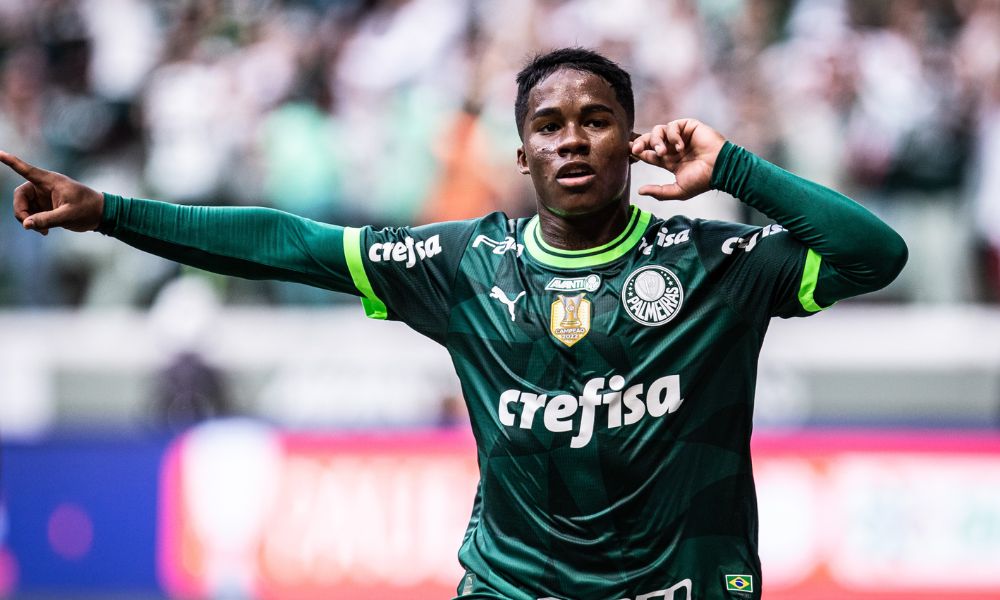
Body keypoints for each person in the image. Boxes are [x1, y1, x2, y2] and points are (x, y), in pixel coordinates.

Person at [1, 48, 906, 600]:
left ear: (632, 141)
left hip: (685, 585)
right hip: (514, 588)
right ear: (523, 153)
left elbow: (874, 254)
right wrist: (110, 210)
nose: (572, 138)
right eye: (549, 125)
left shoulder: (710, 264)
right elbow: (286, 242)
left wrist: (735, 167)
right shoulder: (466, 262)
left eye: (597, 120)